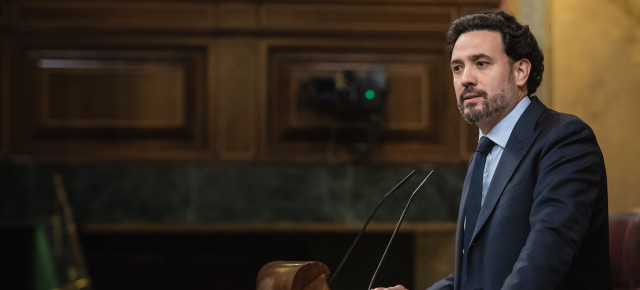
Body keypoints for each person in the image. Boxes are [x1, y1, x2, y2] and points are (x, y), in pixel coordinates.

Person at [373, 10, 611, 290]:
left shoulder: (564, 140)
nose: (465, 79)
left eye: (481, 63)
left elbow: (542, 264)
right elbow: (474, 278)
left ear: (520, 71)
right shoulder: (484, 154)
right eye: (457, 68)